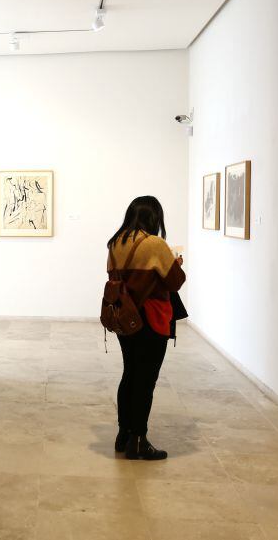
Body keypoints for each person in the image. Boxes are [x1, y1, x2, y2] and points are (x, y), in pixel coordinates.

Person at [106, 196, 185, 460]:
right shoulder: (154, 244)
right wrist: (176, 264)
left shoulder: (116, 242)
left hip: (125, 317)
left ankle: (124, 434)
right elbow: (175, 281)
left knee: (130, 373)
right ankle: (139, 440)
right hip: (151, 318)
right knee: (146, 379)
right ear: (154, 217)